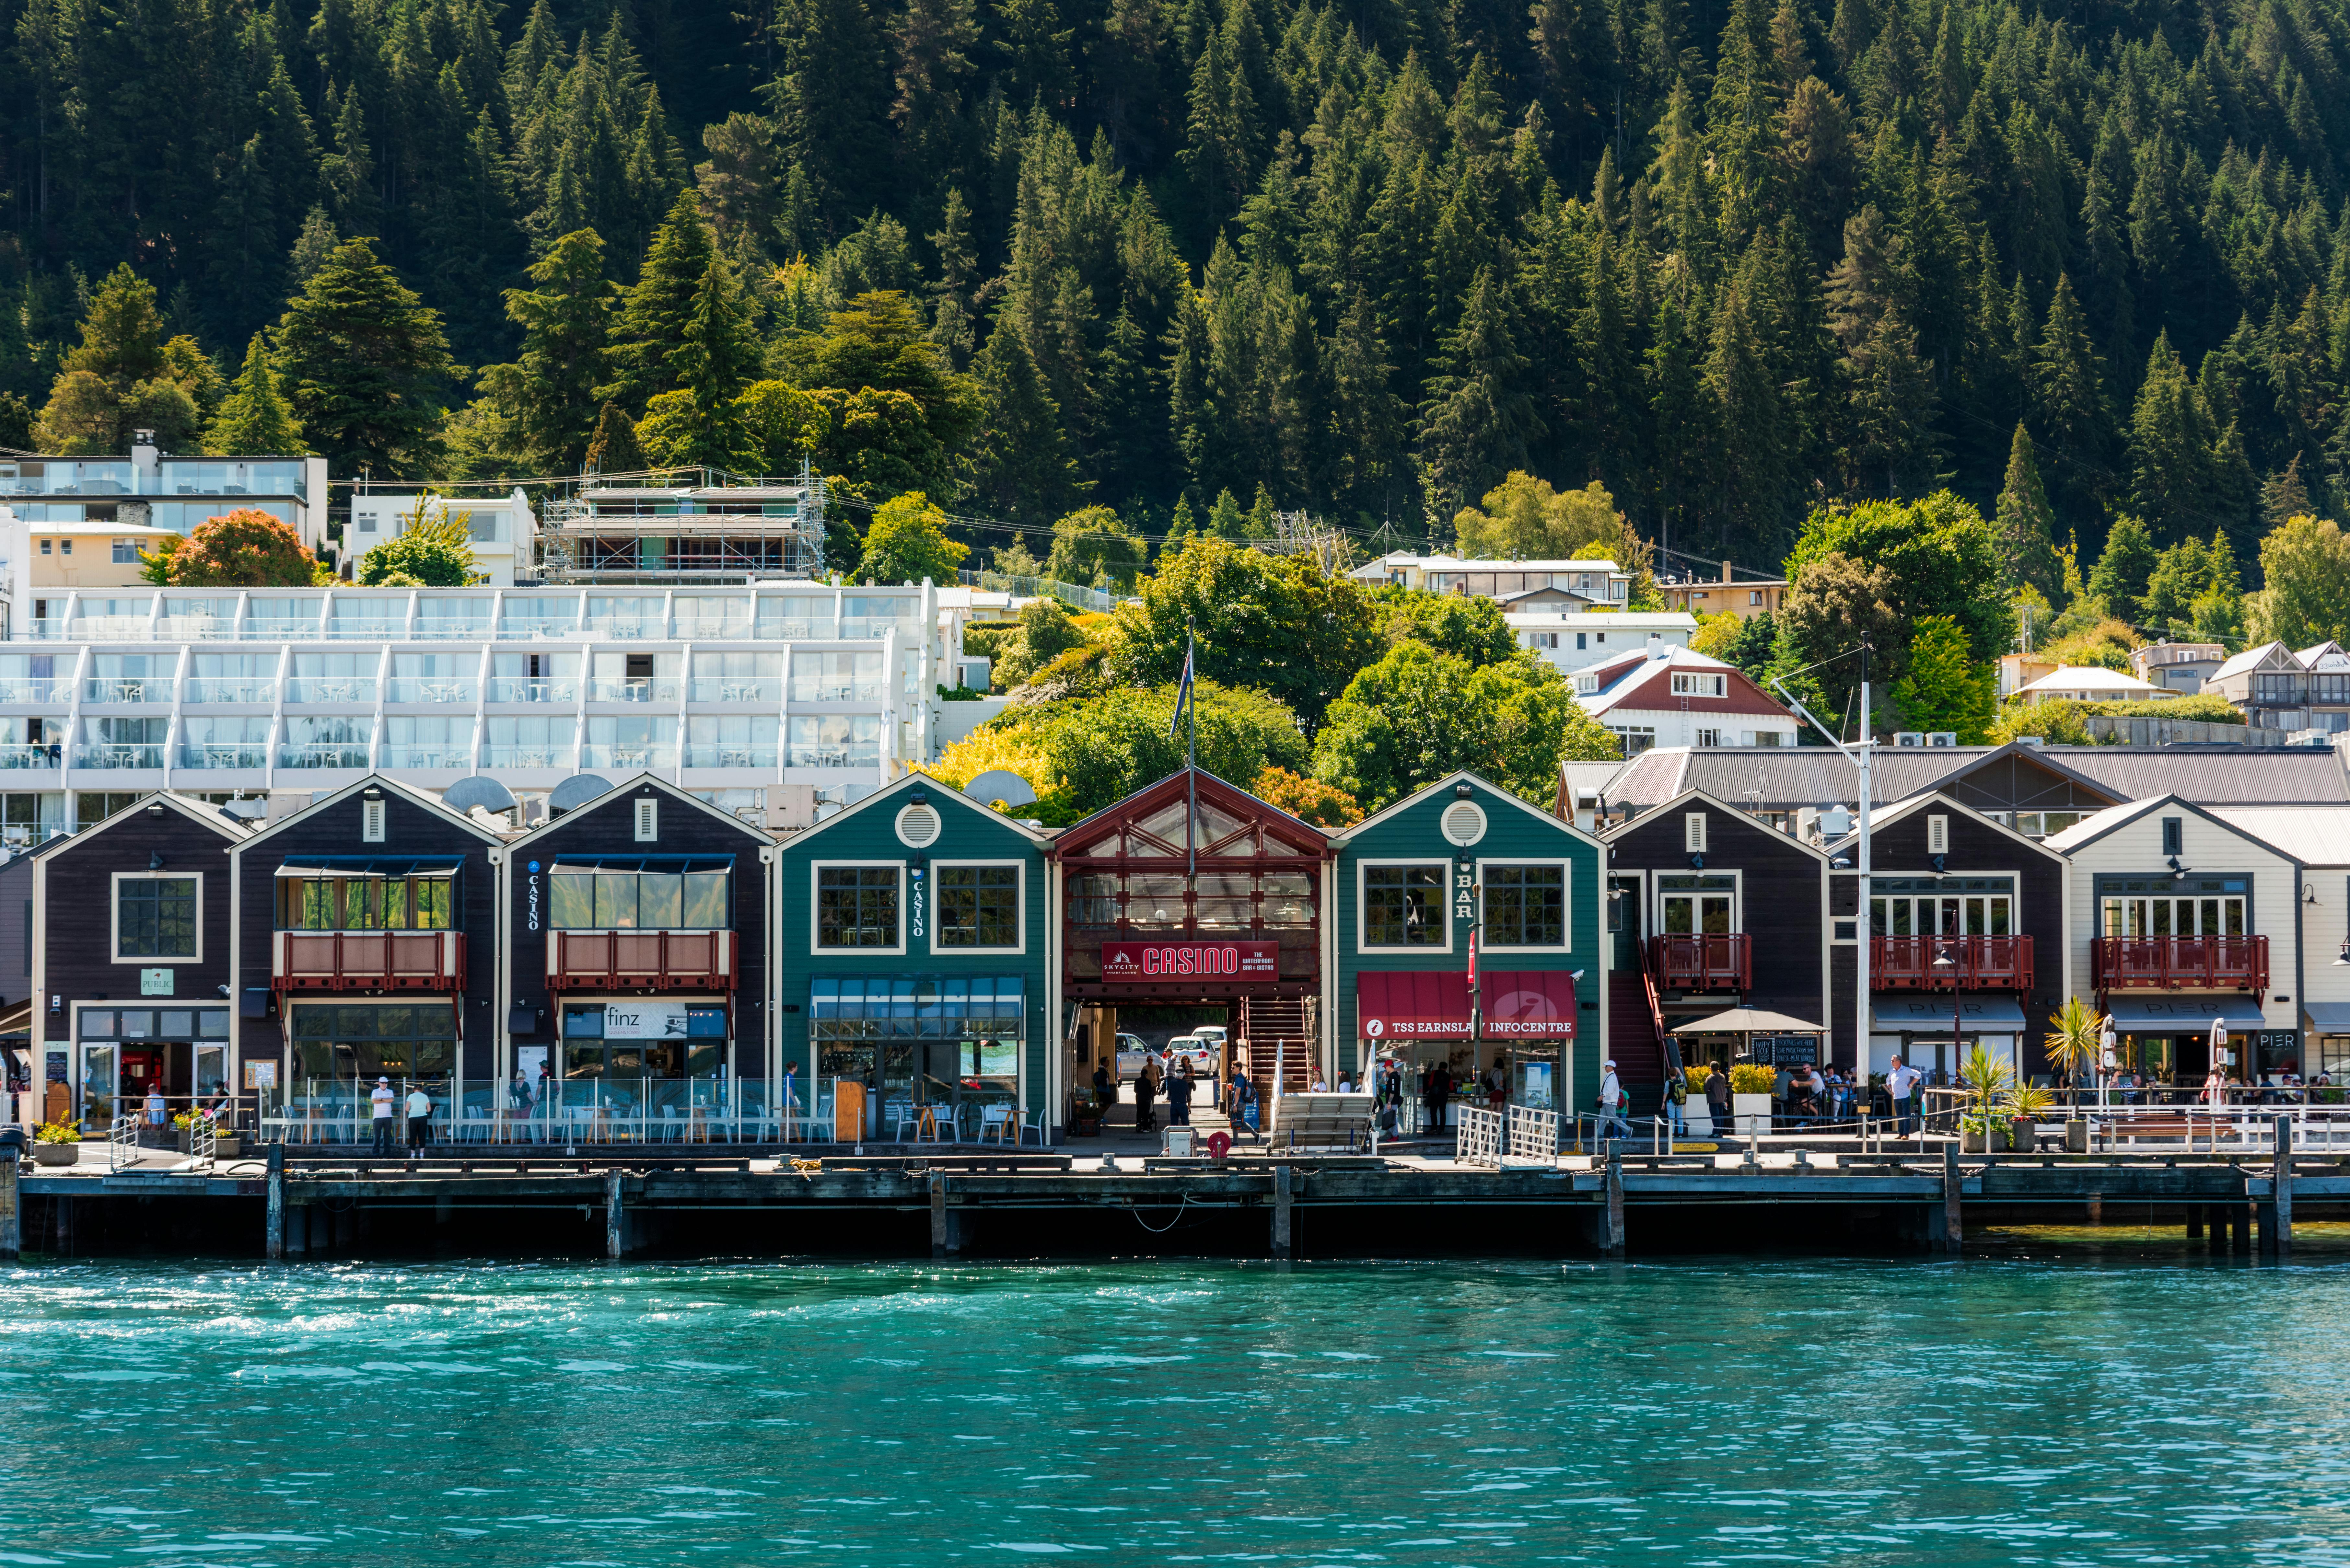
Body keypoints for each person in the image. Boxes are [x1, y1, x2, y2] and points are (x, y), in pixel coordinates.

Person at [1887, 1055, 1920, 1138]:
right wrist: (1891, 1088)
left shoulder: (1906, 1070)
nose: (1891, 1062)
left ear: (1899, 1062)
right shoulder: (1892, 1071)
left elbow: (1918, 1075)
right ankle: (1900, 1133)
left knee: (1906, 1116)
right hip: (1896, 1097)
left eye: (1893, 1061)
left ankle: (1906, 1134)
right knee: (1899, 1117)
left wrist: (1911, 1084)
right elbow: (1888, 1080)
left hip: (1905, 1096)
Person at [1598, 1059, 1628, 1141]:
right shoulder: (1609, 1076)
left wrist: (1602, 1096)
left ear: (1611, 1067)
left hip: (1610, 1101)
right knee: (1602, 1118)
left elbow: (1610, 1089)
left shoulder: (1612, 1077)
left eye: (1607, 1066)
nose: (1606, 1068)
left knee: (1613, 1118)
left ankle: (1628, 1130)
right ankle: (1600, 1134)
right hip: (1607, 1101)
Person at [370, 1076, 397, 1156]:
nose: (384, 1084)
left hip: (388, 1117)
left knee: (387, 1136)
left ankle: (386, 1154)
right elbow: (374, 1101)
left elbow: (391, 1100)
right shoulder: (375, 1092)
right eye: (382, 1083)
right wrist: (385, 1100)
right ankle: (376, 1154)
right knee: (377, 1136)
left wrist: (380, 1099)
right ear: (379, 1083)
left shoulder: (390, 1091)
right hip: (378, 1117)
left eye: (386, 1083)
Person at [404, 1082, 432, 1153]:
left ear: (414, 1090)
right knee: (422, 1136)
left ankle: (413, 1155)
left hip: (413, 1118)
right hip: (423, 1117)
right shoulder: (425, 1096)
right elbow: (429, 1110)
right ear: (422, 1090)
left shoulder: (411, 1096)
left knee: (413, 1136)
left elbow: (407, 1109)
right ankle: (422, 1154)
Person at [1423, 1061, 1451, 1132]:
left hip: (1435, 1095)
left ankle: (1434, 1129)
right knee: (1443, 1112)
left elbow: (1430, 1084)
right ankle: (1442, 1129)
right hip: (1444, 1095)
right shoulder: (1448, 1076)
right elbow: (1452, 1088)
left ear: (1439, 1067)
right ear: (1446, 1068)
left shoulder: (1434, 1073)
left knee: (1433, 1112)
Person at [1135, 1058, 1160, 1133]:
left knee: (1139, 1111)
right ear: (1146, 1075)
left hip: (1139, 1098)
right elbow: (1150, 1090)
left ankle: (1138, 1124)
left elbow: (1135, 1090)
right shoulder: (1148, 1081)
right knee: (1146, 1113)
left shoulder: (1137, 1081)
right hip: (1147, 1099)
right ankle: (1146, 1128)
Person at [1705, 1066, 1731, 1133]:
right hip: (1722, 1099)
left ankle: (1716, 1133)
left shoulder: (1710, 1078)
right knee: (1721, 1117)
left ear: (1711, 1068)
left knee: (1715, 1117)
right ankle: (1720, 1132)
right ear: (1718, 1068)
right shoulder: (1723, 1077)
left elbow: (1706, 1089)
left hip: (1713, 1100)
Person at [1168, 1061, 1194, 1127]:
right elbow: (1189, 1096)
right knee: (1186, 1124)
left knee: (1174, 1125)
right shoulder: (1185, 1083)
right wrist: (1189, 1106)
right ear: (1183, 1075)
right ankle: (1187, 1136)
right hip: (1183, 1105)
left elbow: (1169, 1095)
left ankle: (1174, 1136)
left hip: (1174, 1105)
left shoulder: (1171, 1083)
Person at [1664, 1066, 1688, 1137]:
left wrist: (1663, 1102)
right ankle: (1681, 1133)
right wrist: (1679, 1071)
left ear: (1669, 1074)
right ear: (1676, 1073)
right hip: (1680, 1102)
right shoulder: (1680, 1080)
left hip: (1671, 1102)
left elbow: (1666, 1092)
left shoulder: (1668, 1082)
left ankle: (1672, 1134)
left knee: (1672, 1118)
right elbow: (1682, 1076)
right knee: (1680, 1117)